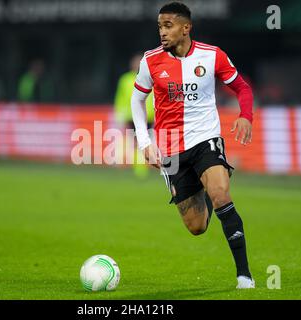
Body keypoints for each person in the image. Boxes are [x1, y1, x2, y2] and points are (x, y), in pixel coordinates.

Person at [131, 2, 255, 289]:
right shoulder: (150, 61)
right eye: (160, 26)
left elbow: (242, 87)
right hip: (172, 150)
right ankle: (205, 186)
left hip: (205, 140)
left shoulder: (212, 56)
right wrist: (144, 141)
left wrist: (245, 116)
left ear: (186, 28)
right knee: (197, 227)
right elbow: (137, 100)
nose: (162, 32)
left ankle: (244, 276)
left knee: (222, 197)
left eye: (168, 25)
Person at [114, 53, 154, 178]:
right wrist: (120, 114)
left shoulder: (151, 78)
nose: (137, 65)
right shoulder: (125, 80)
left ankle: (141, 167)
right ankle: (138, 167)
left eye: (140, 62)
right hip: (131, 116)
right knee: (135, 142)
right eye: (136, 62)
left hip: (148, 116)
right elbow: (120, 98)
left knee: (145, 142)